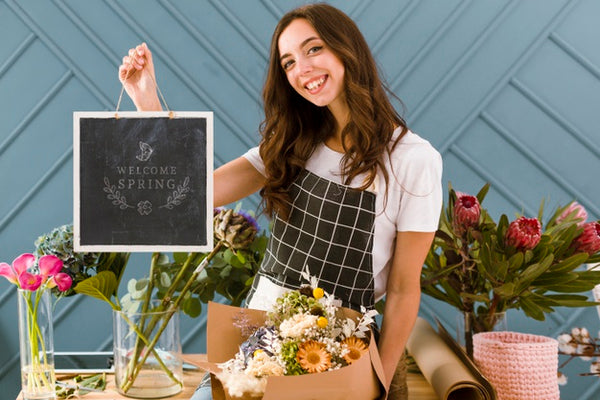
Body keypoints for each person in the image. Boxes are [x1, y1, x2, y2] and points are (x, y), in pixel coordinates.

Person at [118, 4, 442, 399]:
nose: (301, 69)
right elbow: (191, 193)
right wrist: (147, 102)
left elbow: (405, 290)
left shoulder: (412, 159)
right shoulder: (291, 144)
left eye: (313, 49)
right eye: (288, 62)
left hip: (335, 358)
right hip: (252, 345)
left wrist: (380, 382)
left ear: (347, 50)